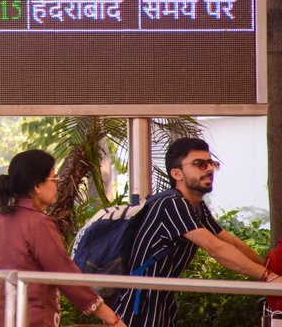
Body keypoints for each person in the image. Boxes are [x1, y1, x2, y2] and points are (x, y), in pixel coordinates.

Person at [112, 137, 275, 326]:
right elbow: (216, 249)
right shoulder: (171, 204)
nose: (209, 169)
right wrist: (268, 277)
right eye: (199, 164)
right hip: (138, 307)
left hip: (160, 304)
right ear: (177, 174)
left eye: (211, 163)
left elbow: (229, 242)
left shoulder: (196, 206)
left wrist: (270, 270)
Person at [0, 149, 125, 327]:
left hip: (0, 320)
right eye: (54, 179)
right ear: (37, 186)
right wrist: (109, 316)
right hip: (33, 319)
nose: (57, 185)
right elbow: (64, 273)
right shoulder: (38, 223)